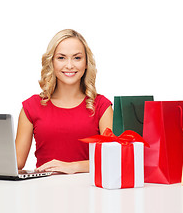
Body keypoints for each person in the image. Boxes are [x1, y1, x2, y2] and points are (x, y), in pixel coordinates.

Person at [15, 29, 113, 174]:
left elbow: (111, 160)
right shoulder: (31, 107)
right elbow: (16, 163)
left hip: (90, 191)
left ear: (86, 63)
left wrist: (72, 167)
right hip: (43, 190)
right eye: (61, 58)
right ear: (51, 63)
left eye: (77, 58)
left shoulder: (102, 106)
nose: (69, 65)